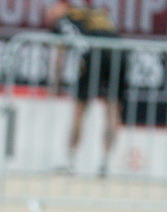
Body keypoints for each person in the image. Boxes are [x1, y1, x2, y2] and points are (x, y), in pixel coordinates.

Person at [46, 0, 127, 176]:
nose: (49, 12)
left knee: (80, 110)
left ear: (62, 7)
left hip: (93, 56)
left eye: (52, 8)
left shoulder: (64, 21)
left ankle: (70, 161)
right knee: (113, 109)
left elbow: (60, 55)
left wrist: (56, 82)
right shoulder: (92, 13)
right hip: (119, 54)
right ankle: (105, 164)